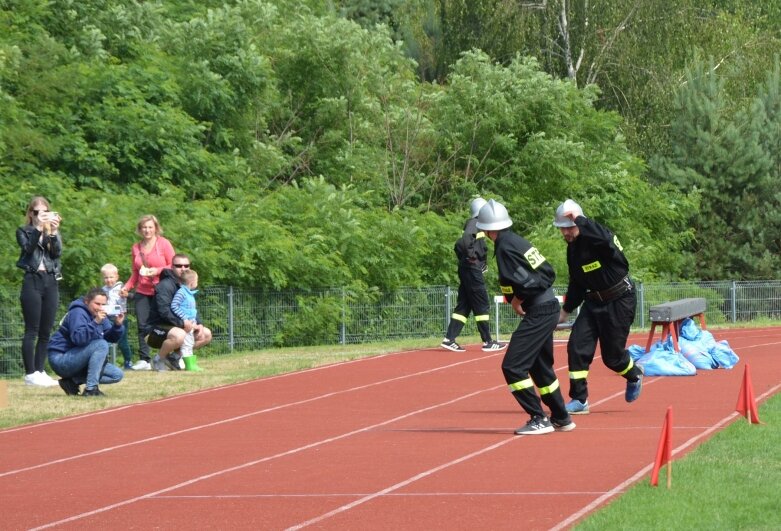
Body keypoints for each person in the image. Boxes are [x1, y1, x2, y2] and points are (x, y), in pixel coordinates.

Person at [475, 199, 575, 435]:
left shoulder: (504, 248)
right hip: (548, 306)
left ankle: (539, 418)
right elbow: (547, 271)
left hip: (539, 310)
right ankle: (561, 416)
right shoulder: (517, 241)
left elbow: (524, 281)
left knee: (513, 366)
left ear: (488, 229)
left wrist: (518, 300)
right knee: (540, 368)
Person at [553, 199, 643, 415]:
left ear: (580, 222)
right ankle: (579, 399)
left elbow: (606, 240)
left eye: (569, 227)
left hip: (619, 300)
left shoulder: (599, 238)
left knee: (612, 358)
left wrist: (580, 220)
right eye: (561, 229)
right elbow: (577, 282)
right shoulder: (572, 250)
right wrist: (565, 311)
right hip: (593, 303)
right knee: (577, 346)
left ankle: (634, 375)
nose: (565, 233)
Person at [441, 197, 506, 353]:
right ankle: (488, 341)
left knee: (464, 305)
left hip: (468, 269)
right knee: (481, 302)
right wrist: (473, 259)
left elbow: (461, 246)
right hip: (471, 270)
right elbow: (463, 243)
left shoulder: (476, 226)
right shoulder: (474, 223)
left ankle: (449, 339)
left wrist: (477, 261)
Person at [16, 196, 62, 388]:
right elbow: (28, 249)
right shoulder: (24, 231)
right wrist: (38, 229)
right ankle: (30, 373)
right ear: (31, 213)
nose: (40, 215)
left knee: (46, 330)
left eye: (44, 212)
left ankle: (40, 370)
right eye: (36, 212)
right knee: (32, 329)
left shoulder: (52, 231)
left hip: (50, 280)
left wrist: (54, 231)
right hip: (32, 279)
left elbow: (56, 253)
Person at [121, 215, 175, 370]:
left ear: (156, 228)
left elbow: (173, 265)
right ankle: (144, 359)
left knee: (165, 324)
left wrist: (156, 270)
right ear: (139, 229)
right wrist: (126, 287)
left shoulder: (164, 244)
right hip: (142, 291)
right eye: (144, 227)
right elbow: (135, 272)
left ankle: (168, 356)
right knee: (142, 325)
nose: (147, 230)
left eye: (150, 227)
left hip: (162, 290)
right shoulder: (136, 248)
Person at [47, 287, 125, 396]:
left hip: (77, 358)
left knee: (117, 374)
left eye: (104, 304)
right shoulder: (77, 312)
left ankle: (72, 381)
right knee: (101, 344)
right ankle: (91, 389)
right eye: (97, 304)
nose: (101, 308)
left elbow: (111, 338)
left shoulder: (99, 315)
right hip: (61, 358)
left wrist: (117, 325)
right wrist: (96, 322)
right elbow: (78, 339)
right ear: (87, 301)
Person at [146, 254, 212, 371]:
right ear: (172, 267)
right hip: (157, 328)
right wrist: (182, 323)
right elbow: (164, 311)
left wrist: (199, 323)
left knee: (206, 334)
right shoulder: (165, 285)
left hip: (178, 325)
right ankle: (158, 359)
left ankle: (174, 357)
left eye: (186, 265)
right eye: (178, 265)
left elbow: (191, 309)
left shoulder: (186, 285)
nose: (183, 268)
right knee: (179, 335)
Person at [101, 263, 134, 369]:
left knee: (122, 342)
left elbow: (128, 295)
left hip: (120, 318)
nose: (109, 280)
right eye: (106, 277)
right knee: (106, 340)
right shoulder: (103, 290)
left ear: (116, 277)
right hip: (107, 318)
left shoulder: (122, 287)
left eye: (111, 277)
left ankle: (128, 362)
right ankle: (104, 362)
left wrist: (125, 294)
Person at [170, 268, 204, 371]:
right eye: (197, 281)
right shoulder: (181, 292)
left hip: (191, 322)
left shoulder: (189, 293)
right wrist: (185, 318)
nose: (197, 283)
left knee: (189, 342)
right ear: (192, 282)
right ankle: (188, 364)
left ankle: (191, 363)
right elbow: (174, 305)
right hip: (186, 323)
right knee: (187, 344)